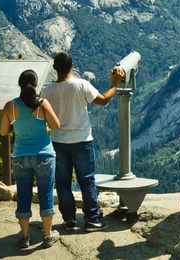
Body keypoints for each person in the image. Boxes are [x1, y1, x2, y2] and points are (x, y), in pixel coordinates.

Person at [41, 52, 125, 232]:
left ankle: (69, 220)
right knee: (87, 181)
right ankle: (92, 219)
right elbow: (103, 101)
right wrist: (114, 82)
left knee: (62, 182)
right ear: (72, 66)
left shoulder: (47, 91)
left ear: (54, 68)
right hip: (82, 140)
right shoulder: (81, 85)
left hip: (58, 142)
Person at [0, 69, 62, 249]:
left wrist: (16, 128)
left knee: (24, 195)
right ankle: (48, 235)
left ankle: (25, 237)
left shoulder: (10, 106)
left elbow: (3, 131)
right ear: (36, 85)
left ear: (19, 85)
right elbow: (56, 126)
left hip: (20, 155)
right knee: (46, 194)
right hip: (44, 155)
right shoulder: (42, 104)